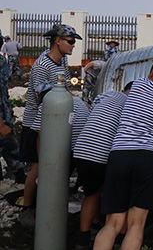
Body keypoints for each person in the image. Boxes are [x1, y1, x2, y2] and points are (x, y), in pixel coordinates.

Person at [93, 61, 153, 250]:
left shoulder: (139, 84)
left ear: (152, 73)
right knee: (136, 224)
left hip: (120, 154)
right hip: (147, 157)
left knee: (112, 224)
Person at [19, 23, 77, 221]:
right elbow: (40, 98)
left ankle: (44, 203)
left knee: (52, 164)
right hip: (37, 123)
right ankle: (26, 209)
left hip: (56, 121)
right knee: (38, 167)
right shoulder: (42, 65)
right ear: (57, 41)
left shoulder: (63, 60)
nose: (73, 45)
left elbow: (66, 85)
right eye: (70, 41)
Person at [73, 82, 132, 250]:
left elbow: (92, 115)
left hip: (82, 149)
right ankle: (114, 237)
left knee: (90, 193)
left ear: (122, 90)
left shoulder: (106, 95)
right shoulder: (131, 104)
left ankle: (83, 238)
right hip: (102, 154)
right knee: (113, 195)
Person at [0, 50, 24, 183]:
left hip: (4, 113)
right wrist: (1, 125)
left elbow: (3, 89)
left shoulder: (2, 61)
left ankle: (19, 179)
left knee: (11, 147)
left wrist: (7, 106)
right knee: (10, 146)